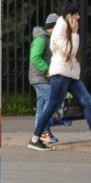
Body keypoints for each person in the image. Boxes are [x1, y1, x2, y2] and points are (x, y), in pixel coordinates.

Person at [28, 2, 91, 151]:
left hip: (71, 75)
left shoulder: (67, 28)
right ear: (70, 17)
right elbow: (70, 51)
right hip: (60, 75)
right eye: (76, 15)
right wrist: (75, 34)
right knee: (52, 107)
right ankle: (35, 139)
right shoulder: (59, 31)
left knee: (87, 100)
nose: (79, 17)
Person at [29, 12, 60, 146]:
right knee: (52, 101)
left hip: (41, 78)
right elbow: (35, 58)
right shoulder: (41, 39)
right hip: (39, 78)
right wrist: (47, 69)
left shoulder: (47, 39)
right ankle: (44, 132)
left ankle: (40, 132)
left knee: (41, 106)